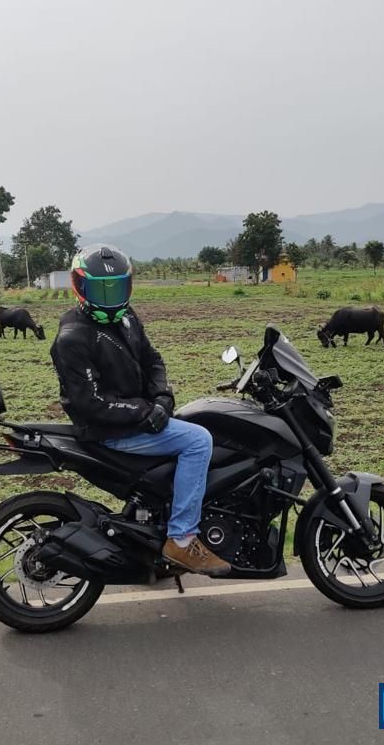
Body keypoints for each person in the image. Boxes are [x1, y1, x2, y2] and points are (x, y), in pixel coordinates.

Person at [50, 244, 230, 576]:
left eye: (116, 287)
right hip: (110, 431)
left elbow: (152, 360)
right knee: (199, 441)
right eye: (100, 288)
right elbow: (90, 402)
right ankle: (181, 539)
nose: (109, 296)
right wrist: (144, 412)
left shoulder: (129, 318)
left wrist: (163, 399)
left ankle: (155, 536)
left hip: (135, 418)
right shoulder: (74, 338)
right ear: (80, 286)